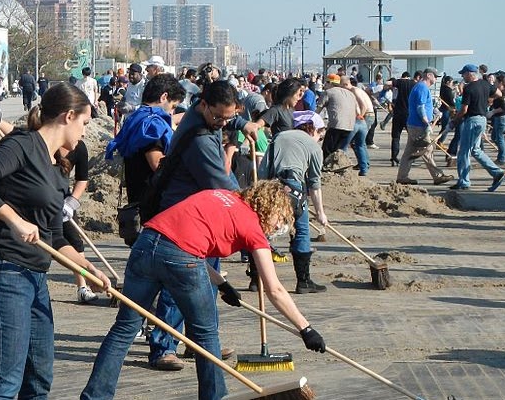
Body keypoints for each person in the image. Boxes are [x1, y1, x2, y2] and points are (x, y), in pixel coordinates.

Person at [80, 180, 326, 400]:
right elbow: (274, 289)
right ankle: (215, 396)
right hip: (181, 258)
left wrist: (221, 283)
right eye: (283, 219)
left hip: (146, 244)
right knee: (206, 335)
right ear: (274, 208)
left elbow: (182, 238)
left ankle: (95, 396)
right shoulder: (252, 227)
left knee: (124, 328)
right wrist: (306, 328)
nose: (279, 227)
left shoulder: (219, 195)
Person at [0, 83, 111, 399]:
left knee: (39, 379)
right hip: (4, 272)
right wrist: (14, 220)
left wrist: (87, 269)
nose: (85, 131)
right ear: (69, 116)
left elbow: (55, 237)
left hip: (35, 278)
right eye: (84, 122)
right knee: (5, 382)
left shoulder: (57, 169)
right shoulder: (22, 146)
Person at [148, 81, 261, 371]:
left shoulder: (208, 115)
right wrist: (251, 204)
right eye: (219, 118)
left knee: (209, 281)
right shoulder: (199, 137)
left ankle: (201, 341)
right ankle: (164, 346)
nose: (222, 123)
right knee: (181, 282)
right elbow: (221, 184)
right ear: (203, 106)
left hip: (205, 216)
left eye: (227, 117)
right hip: (181, 217)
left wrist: (241, 122)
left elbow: (226, 114)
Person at [105, 74, 186, 244]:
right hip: (152, 203)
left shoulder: (137, 118)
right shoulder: (152, 124)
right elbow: (157, 162)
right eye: (172, 106)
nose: (171, 112)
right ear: (164, 97)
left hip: (137, 198)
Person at [259, 110, 330, 294]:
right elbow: (314, 184)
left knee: (260, 231)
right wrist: (321, 213)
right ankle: (304, 281)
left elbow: (263, 170)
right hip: (294, 186)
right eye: (320, 135)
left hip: (271, 186)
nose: (320, 139)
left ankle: (255, 279)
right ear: (313, 129)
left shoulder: (278, 137)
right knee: (301, 230)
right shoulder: (314, 147)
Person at [450, 64, 505, 190]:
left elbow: (464, 109)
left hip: (472, 121)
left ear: (470, 74)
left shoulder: (469, 88)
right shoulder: (485, 84)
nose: (462, 76)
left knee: (464, 152)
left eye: (464, 74)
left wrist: (455, 120)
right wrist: (489, 100)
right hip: (483, 119)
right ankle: (497, 172)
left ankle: (464, 182)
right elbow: (499, 93)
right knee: (476, 150)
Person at [395, 68, 454, 186]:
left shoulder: (420, 87)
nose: (437, 79)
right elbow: (420, 107)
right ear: (429, 75)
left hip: (414, 124)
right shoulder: (422, 87)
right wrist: (427, 123)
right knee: (427, 149)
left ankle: (402, 177)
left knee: (410, 152)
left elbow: (424, 105)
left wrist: (434, 112)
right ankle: (438, 176)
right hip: (418, 125)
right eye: (435, 76)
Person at [56, 139, 98, 303]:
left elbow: (82, 178)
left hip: (63, 201)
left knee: (75, 241)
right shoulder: (42, 141)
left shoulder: (79, 147)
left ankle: (82, 287)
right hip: (40, 199)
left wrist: (71, 202)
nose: (83, 131)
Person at [317, 74, 357, 160]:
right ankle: (335, 167)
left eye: (326, 83)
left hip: (336, 125)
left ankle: (325, 168)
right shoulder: (350, 93)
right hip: (350, 126)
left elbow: (318, 111)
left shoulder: (328, 92)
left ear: (329, 83)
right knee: (337, 150)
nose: (324, 85)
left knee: (327, 150)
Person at [343, 77, 374, 176]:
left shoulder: (354, 91)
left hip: (366, 115)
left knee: (357, 142)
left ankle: (363, 164)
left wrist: (360, 115)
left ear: (346, 85)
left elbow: (363, 105)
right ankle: (364, 164)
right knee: (360, 143)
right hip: (369, 115)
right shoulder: (357, 90)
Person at [387, 71, 420, 166]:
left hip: (398, 113)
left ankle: (394, 158)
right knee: (412, 137)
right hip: (409, 114)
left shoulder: (399, 84)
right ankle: (412, 158)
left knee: (396, 137)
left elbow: (388, 83)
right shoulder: (415, 85)